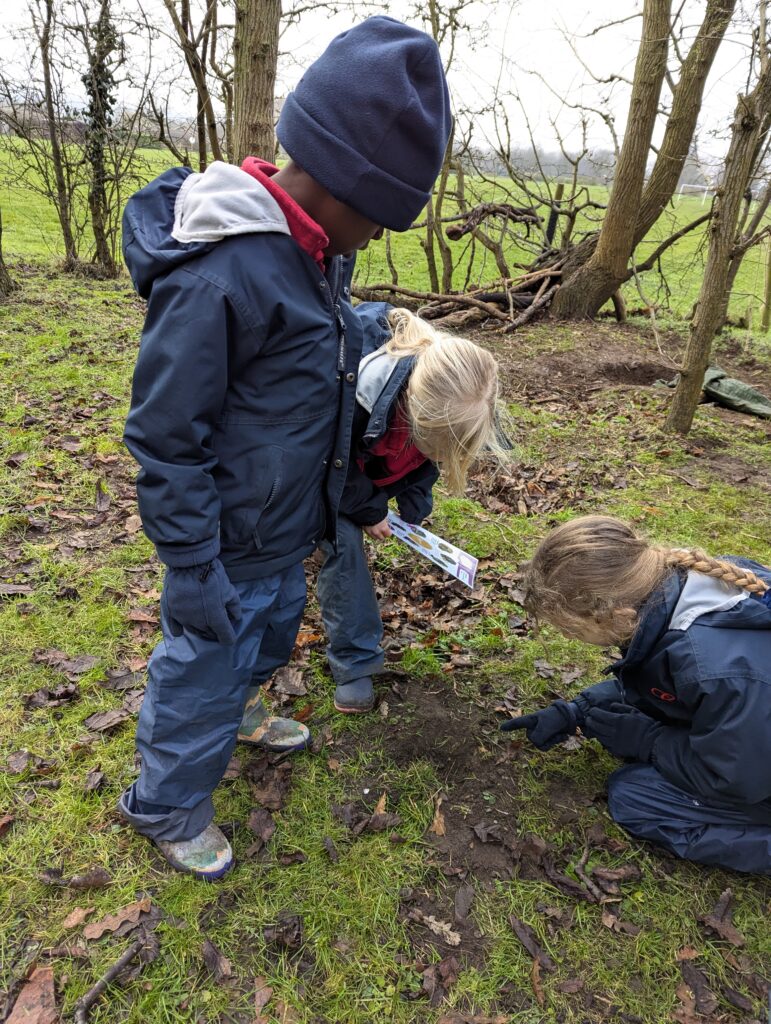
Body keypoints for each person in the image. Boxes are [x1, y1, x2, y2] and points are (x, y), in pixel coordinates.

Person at [118, 16, 452, 879]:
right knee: (200, 668)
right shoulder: (224, 274)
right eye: (377, 219)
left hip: (278, 527)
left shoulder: (315, 259)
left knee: (264, 639)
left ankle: (243, 709)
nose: (376, 239)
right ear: (340, 187)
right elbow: (164, 431)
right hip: (222, 539)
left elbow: (319, 380)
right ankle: (164, 804)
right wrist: (191, 562)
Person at [502, 515, 771, 875]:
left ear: (618, 614)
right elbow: (660, 678)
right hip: (753, 736)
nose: (567, 637)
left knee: (635, 796)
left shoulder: (713, 668)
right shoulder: (686, 588)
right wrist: (578, 710)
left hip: (752, 775)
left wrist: (649, 742)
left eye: (568, 627)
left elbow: (736, 779)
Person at [318, 307, 505, 713]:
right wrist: (370, 511)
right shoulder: (355, 388)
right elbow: (330, 462)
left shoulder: (447, 393)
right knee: (342, 546)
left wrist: (413, 509)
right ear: (413, 411)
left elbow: (422, 461)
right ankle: (354, 663)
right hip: (322, 471)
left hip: (364, 470)